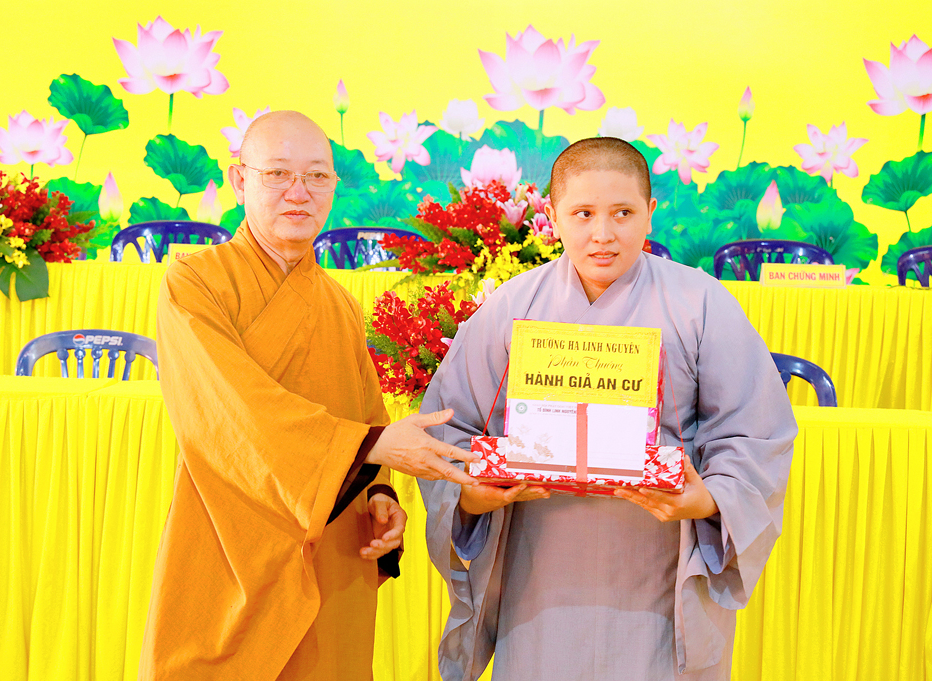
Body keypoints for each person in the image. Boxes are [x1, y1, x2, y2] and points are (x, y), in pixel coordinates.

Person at [418, 137, 798, 680]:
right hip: (540, 568)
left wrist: (709, 498)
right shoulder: (512, 306)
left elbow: (754, 432)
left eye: (623, 213)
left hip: (657, 562)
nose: (603, 233)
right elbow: (447, 425)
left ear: (650, 212)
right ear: (552, 216)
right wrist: (471, 495)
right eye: (583, 214)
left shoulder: (701, 303)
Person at [139, 110, 479, 681]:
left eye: (317, 176)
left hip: (332, 545)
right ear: (238, 180)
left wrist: (380, 495)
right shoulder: (194, 283)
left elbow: (365, 415)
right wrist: (370, 447)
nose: (299, 193)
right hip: (230, 533)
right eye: (277, 173)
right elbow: (233, 414)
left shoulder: (339, 303)